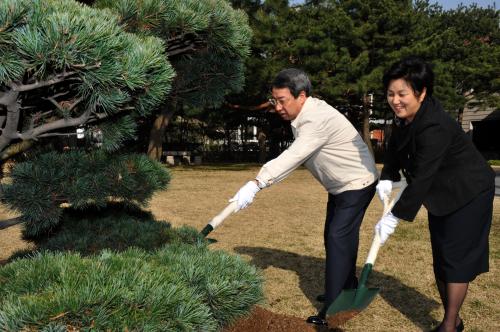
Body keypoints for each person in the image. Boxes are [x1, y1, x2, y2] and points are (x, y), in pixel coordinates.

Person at [230, 68, 378, 326]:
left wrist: (257, 183)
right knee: (338, 237)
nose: (277, 107)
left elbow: (294, 155)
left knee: (337, 236)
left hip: (357, 183)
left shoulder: (315, 119)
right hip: (341, 185)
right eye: (274, 100)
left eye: (282, 100)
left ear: (301, 96)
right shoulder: (306, 114)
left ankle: (332, 311)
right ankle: (346, 287)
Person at [375, 57, 495, 332]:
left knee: (455, 259)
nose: (395, 100)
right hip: (442, 194)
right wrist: (386, 178)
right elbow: (396, 147)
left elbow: (423, 177)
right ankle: (454, 319)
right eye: (391, 94)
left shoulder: (435, 125)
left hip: (468, 192)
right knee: (442, 256)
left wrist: (393, 217)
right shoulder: (407, 118)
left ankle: (450, 325)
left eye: (402, 94)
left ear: (422, 92)